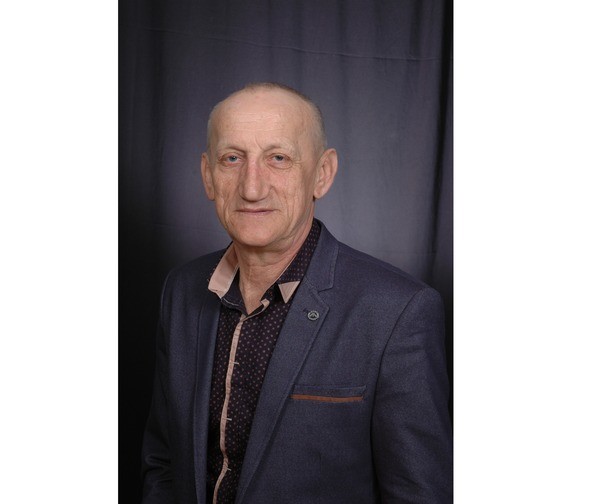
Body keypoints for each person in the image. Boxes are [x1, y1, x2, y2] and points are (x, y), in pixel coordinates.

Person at [141, 82, 452, 504]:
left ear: (322, 174)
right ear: (208, 175)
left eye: (278, 158)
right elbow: (163, 459)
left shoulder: (396, 311)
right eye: (232, 158)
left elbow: (419, 494)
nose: (252, 187)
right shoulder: (182, 290)